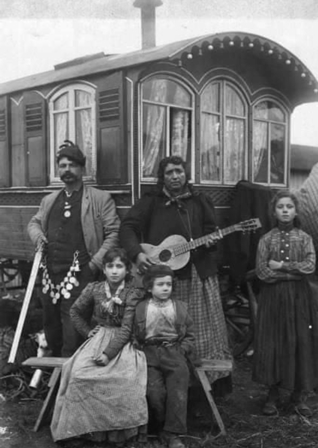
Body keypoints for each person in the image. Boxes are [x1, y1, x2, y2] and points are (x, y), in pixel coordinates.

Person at [120, 155, 231, 385]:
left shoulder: (199, 200)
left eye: (179, 171)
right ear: (162, 177)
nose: (175, 176)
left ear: (185, 174)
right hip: (163, 279)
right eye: (169, 172)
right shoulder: (151, 201)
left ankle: (201, 385)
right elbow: (128, 227)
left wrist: (212, 241)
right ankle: (167, 382)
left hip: (196, 276)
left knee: (199, 331)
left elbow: (212, 232)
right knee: (167, 330)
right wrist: (137, 254)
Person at [27, 140, 120, 357]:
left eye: (72, 165)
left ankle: (71, 381)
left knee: (74, 331)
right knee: (51, 328)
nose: (67, 170)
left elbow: (114, 233)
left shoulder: (99, 199)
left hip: (81, 276)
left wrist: (95, 263)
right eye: (62, 166)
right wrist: (39, 236)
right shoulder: (50, 200)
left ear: (81, 168)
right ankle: (55, 378)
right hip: (50, 275)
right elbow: (34, 223)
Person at [50, 248, 148, 444]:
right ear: (103, 269)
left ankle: (118, 434)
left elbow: (127, 328)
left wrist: (108, 354)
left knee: (126, 379)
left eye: (119, 266)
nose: (114, 271)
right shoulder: (94, 289)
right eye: (110, 266)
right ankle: (84, 430)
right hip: (99, 337)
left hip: (122, 343)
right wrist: (88, 332)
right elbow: (75, 311)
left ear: (127, 270)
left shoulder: (132, 293)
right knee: (78, 374)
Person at [253, 190, 318, 417]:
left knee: (300, 340)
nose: (285, 211)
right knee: (274, 341)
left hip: (300, 298)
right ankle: (272, 395)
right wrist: (292, 273)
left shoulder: (304, 238)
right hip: (273, 299)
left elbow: (310, 266)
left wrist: (280, 267)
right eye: (280, 207)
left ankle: (299, 396)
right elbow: (262, 271)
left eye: (289, 207)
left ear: (296, 211)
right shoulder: (266, 239)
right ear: (274, 211)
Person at [133, 264, 195, 448]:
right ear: (150, 287)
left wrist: (182, 350)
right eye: (160, 284)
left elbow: (190, 335)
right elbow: (134, 333)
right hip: (149, 354)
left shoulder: (180, 308)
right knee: (154, 392)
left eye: (168, 284)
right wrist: (138, 349)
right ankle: (157, 429)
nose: (165, 288)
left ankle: (173, 433)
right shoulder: (141, 308)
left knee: (178, 391)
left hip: (174, 353)